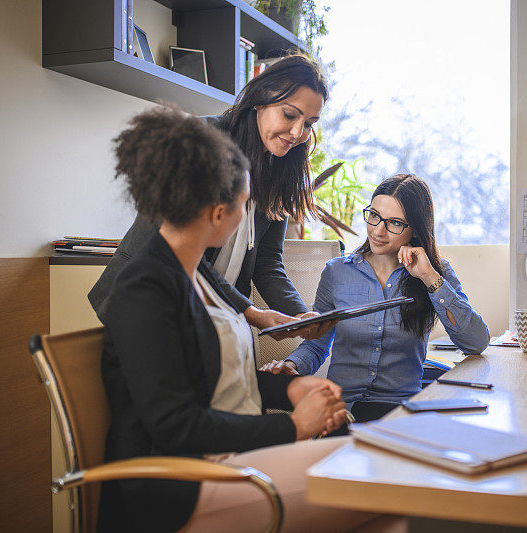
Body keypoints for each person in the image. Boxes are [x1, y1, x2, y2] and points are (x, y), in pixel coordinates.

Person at [97, 106, 396, 533]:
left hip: (228, 456)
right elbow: (175, 424)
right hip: (179, 484)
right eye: (243, 204)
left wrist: (291, 384)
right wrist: (292, 426)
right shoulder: (144, 289)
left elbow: (222, 377)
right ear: (218, 213)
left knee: (384, 485)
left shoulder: (203, 278)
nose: (246, 219)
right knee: (382, 481)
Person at [88, 54, 331, 339]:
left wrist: (298, 316)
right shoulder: (201, 141)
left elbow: (267, 261)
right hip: (151, 299)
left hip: (215, 312)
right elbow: (182, 247)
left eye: (309, 123)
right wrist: (248, 312)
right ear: (259, 100)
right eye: (289, 115)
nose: (297, 132)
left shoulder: (280, 167)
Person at [262, 174, 491, 422]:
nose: (378, 231)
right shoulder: (337, 272)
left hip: (400, 413)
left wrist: (428, 276)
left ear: (415, 229)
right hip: (341, 411)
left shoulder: (435, 272)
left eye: (394, 223)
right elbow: (317, 344)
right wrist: (293, 365)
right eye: (374, 216)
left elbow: (475, 342)